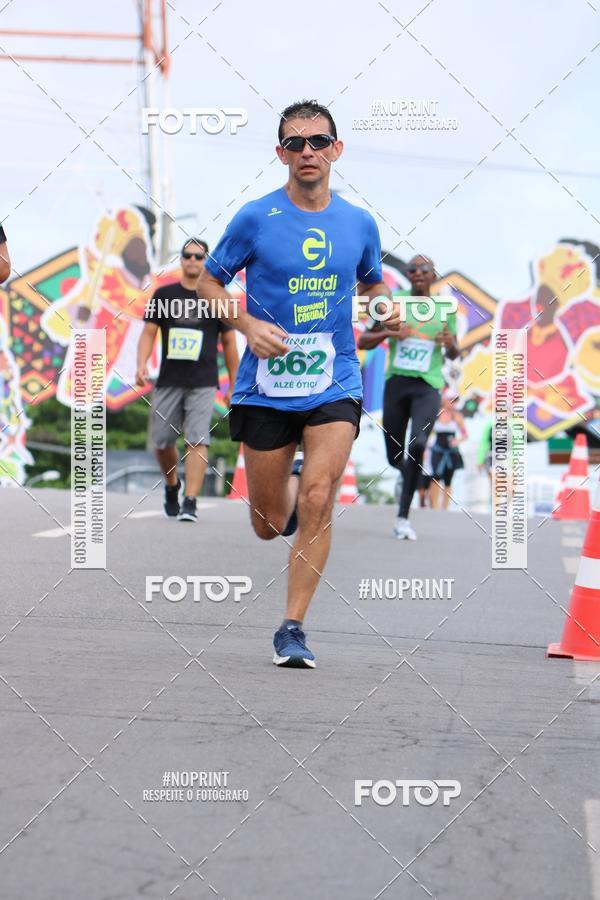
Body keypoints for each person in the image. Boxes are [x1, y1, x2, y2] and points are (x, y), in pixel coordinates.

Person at [197, 99, 400, 668]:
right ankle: (285, 488)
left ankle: (292, 627)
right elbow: (209, 284)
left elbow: (372, 285)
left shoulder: (358, 223)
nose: (307, 151)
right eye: (295, 143)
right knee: (268, 523)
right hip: (265, 385)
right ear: (281, 153)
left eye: (318, 142)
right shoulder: (255, 217)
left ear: (337, 149)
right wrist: (246, 324)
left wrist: (383, 307)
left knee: (318, 497)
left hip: (334, 379)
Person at [136, 238, 239, 522]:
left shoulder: (218, 297)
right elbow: (148, 333)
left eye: (199, 256)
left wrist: (234, 384)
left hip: (203, 381)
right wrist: (141, 364)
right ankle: (172, 486)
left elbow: (230, 343)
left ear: (207, 261)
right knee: (161, 441)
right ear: (181, 260)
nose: (193, 260)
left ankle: (190, 501)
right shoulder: (164, 295)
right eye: (187, 255)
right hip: (169, 380)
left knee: (197, 438)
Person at [358, 255, 459, 539]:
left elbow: (455, 352)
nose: (417, 273)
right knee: (394, 456)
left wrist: (450, 343)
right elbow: (363, 341)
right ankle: (406, 474)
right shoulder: (393, 303)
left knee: (419, 443)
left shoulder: (443, 309)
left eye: (424, 269)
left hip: (428, 385)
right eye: (412, 269)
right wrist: (389, 332)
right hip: (397, 384)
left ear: (433, 275)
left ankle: (402, 517)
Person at [428, 390, 467, 509]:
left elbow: (465, 434)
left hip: (451, 452)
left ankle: (445, 507)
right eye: (450, 399)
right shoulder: (436, 415)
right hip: (437, 451)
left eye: (455, 400)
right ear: (444, 400)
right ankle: (434, 506)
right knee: (436, 477)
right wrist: (426, 448)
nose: (452, 403)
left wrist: (457, 441)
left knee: (448, 479)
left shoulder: (457, 417)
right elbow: (427, 432)